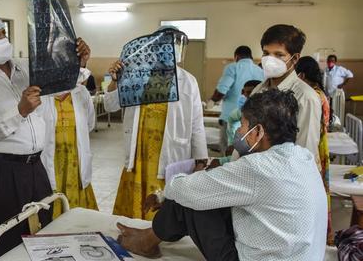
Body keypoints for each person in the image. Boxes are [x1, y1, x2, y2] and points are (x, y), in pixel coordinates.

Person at [118, 89, 327, 261]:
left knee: (193, 198)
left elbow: (187, 190)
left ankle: (147, 241)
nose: (238, 131)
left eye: (243, 125)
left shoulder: (259, 167)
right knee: (208, 192)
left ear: (258, 132)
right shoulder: (304, 158)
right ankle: (150, 237)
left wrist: (166, 193)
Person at [0, 14, 91, 261]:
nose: (3, 40)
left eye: (3, 34)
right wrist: (19, 111)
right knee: (7, 243)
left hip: (35, 168)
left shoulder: (24, 68)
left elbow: (60, 87)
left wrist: (78, 64)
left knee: (44, 232)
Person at [104, 26, 208, 220]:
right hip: (139, 155)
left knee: (163, 208)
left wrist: (200, 159)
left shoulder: (188, 81)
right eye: (165, 44)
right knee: (133, 213)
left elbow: (196, 124)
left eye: (176, 44)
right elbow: (110, 105)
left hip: (170, 153)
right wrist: (114, 81)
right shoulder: (136, 75)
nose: (171, 49)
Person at [246, 24, 321, 164]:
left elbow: (305, 150)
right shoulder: (258, 90)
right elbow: (248, 136)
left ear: (295, 58)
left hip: (286, 177)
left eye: (279, 55)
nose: (269, 60)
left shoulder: (305, 97)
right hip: (256, 169)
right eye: (266, 53)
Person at [40, 76, 99, 218]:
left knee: (79, 216)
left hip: (75, 161)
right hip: (51, 160)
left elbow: (89, 123)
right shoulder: (40, 94)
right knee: (50, 198)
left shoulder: (81, 91)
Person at [295, 56, 333, 245]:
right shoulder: (320, 93)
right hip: (320, 145)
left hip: (313, 144)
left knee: (310, 192)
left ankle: (312, 236)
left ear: (300, 75)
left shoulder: (311, 95)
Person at [206, 46, 263, 123]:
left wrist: (212, 101)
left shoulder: (232, 67)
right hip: (253, 119)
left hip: (231, 117)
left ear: (236, 56)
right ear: (251, 57)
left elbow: (222, 89)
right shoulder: (260, 71)